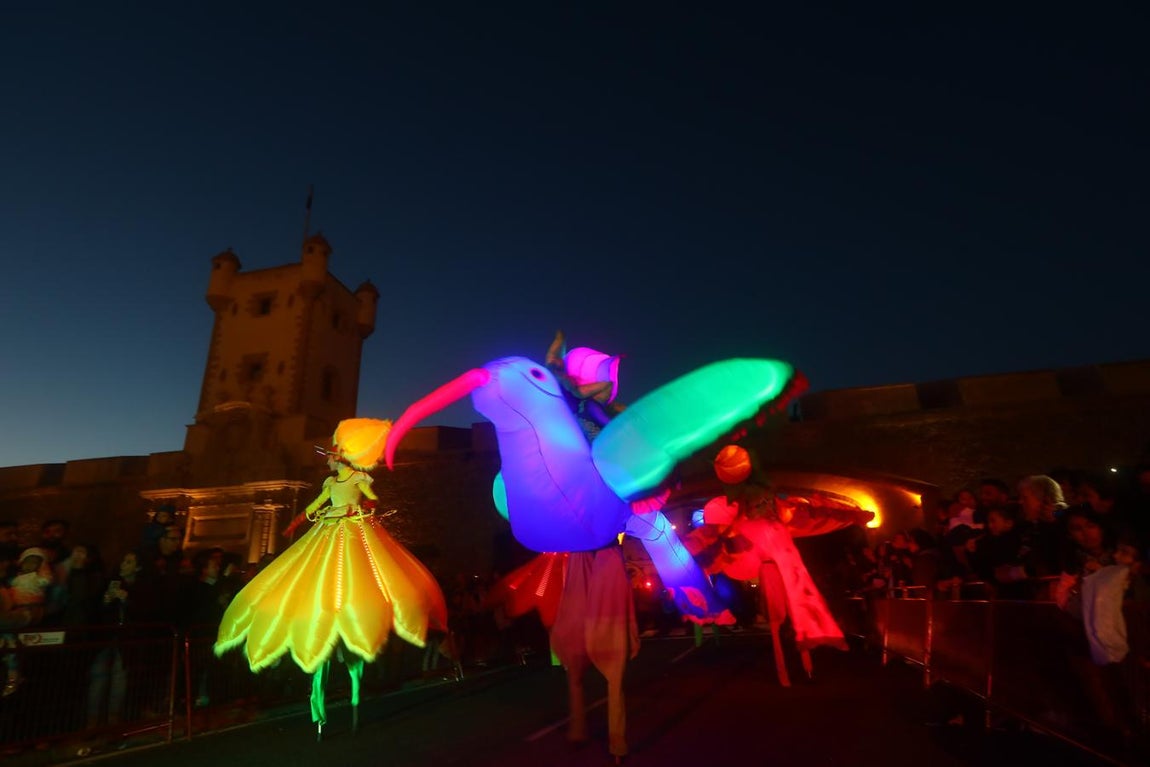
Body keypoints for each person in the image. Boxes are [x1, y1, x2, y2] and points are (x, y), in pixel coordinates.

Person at [214, 418, 448, 740]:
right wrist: (299, 519)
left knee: (356, 582)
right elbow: (316, 505)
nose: (326, 459)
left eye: (329, 455)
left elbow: (372, 498)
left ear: (340, 456)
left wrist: (364, 507)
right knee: (313, 592)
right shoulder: (329, 484)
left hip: (351, 532)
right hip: (326, 531)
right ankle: (319, 707)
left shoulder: (357, 477)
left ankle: (354, 694)